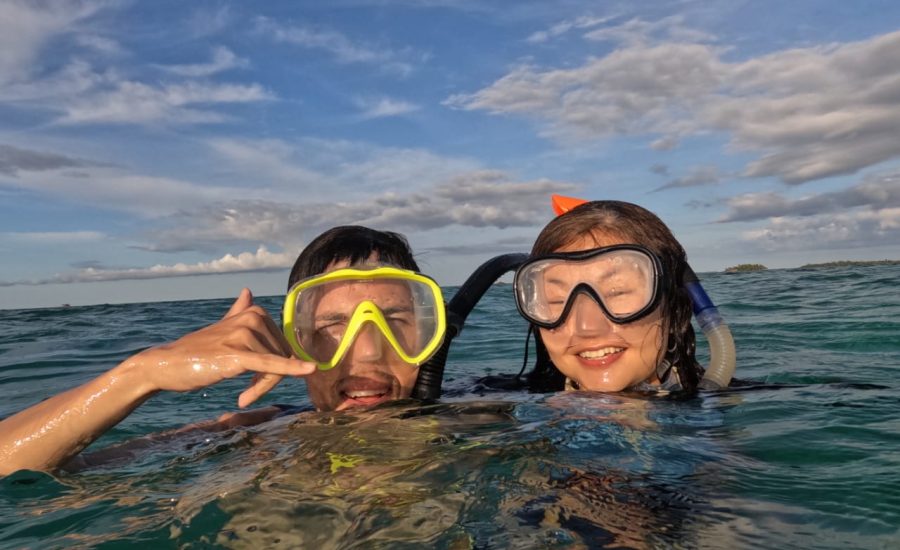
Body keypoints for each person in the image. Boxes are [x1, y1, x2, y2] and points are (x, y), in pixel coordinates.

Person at [0, 226, 444, 475]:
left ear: (430, 333)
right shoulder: (255, 433)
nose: (367, 352)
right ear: (291, 342)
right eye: (331, 325)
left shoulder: (478, 411)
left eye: (395, 320)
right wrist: (141, 374)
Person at [513, 199, 706, 394]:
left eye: (617, 292)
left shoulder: (717, 404)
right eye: (557, 299)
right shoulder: (505, 401)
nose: (587, 327)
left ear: (673, 307)